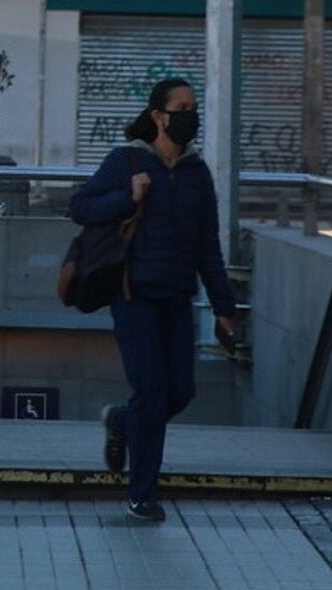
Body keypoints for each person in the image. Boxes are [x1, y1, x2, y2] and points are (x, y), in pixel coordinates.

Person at [69, 77, 237, 522]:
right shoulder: (126, 161)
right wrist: (127, 196)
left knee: (179, 392)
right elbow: (80, 207)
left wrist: (225, 308)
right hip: (134, 295)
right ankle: (142, 494)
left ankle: (122, 421)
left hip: (177, 298)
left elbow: (208, 248)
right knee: (153, 389)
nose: (190, 116)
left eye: (193, 108)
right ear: (159, 116)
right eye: (181, 108)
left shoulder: (197, 174)